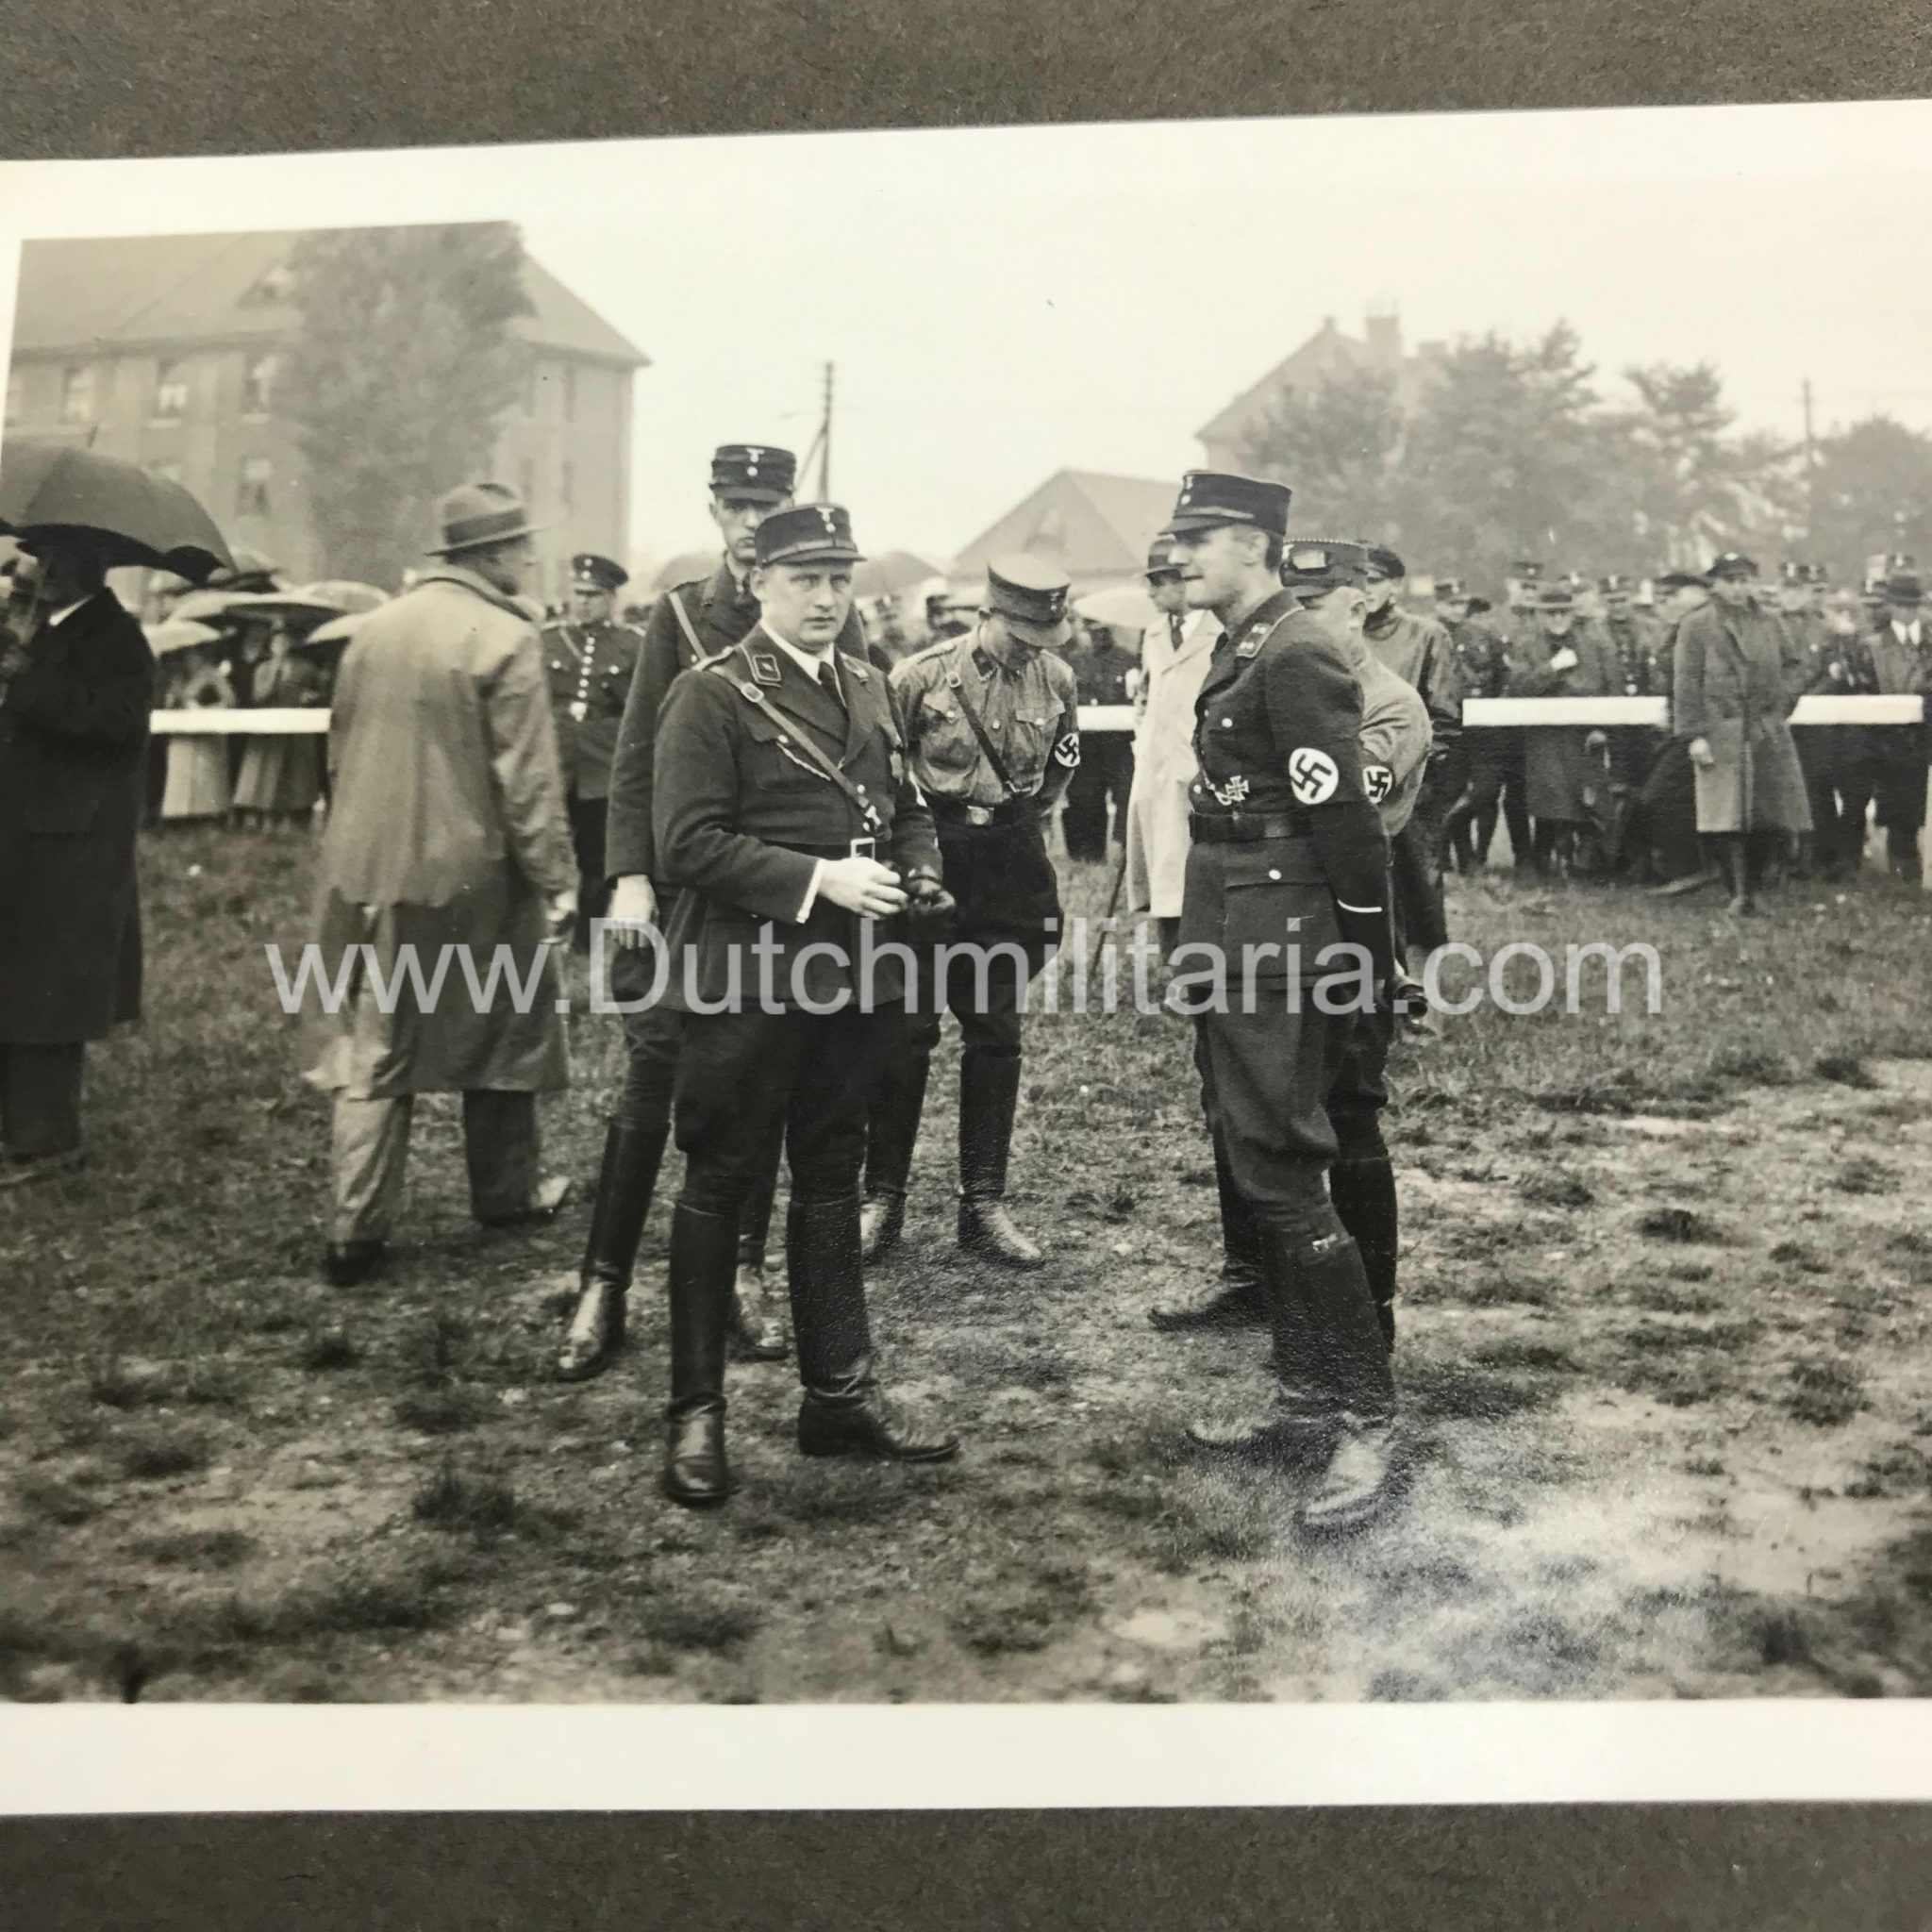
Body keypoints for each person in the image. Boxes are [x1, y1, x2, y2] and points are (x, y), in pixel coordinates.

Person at [647, 502, 959, 1507]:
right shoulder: (712, 693)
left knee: (829, 1177)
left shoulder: (867, 683)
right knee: (719, 1181)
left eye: (838, 580)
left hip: (852, 978)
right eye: (804, 580)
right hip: (748, 975)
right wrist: (820, 879)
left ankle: (838, 1396)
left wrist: (919, 869)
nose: (826, 599)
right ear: (757, 584)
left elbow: (904, 806)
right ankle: (695, 1416)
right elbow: (684, 843)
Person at [573, 443, 860, 1385]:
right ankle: (604, 1281)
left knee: (761, 1085)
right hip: (683, 886)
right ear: (714, 513)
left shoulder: (823, 610)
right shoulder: (679, 617)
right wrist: (628, 876)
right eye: (735, 505)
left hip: (777, 903)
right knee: (652, 1079)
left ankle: (744, 1274)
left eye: (765, 505)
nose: (748, 521)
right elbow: (635, 759)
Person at [1158, 473, 1402, 1537]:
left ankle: (1365, 1415)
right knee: (1257, 1158)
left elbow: (1343, 817)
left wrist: (1371, 955)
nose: (1180, 557)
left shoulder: (1294, 650)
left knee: (1287, 1170)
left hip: (1285, 933)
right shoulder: (1241, 645)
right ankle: (1304, 1396)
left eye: (1199, 539)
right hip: (1233, 918)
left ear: (1255, 544)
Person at [1151, 537, 1428, 1352]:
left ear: (1362, 605)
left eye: (1317, 602)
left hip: (1344, 915)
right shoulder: (1265, 669)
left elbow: (1345, 819)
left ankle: (1367, 1319)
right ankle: (1266, 1291)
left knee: (1348, 1116)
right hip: (1264, 917)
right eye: (1293, 600)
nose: (1297, 616)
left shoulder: (1388, 703)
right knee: (1248, 1115)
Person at [302, 483, 578, 1286]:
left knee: (374, 1043)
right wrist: (558, 879)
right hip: (475, 875)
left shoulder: (372, 629)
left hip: (365, 869)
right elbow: (528, 783)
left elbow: (337, 752)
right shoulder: (507, 636)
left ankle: (353, 1230)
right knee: (505, 1029)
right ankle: (508, 1194)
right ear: (490, 555)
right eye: (521, 544)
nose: (531, 556)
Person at [857, 556, 1081, 1270]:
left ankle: (983, 1204)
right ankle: (882, 1199)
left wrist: (1017, 821)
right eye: (1019, 634)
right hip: (933, 855)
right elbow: (888, 778)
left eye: (1042, 637)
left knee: (996, 1032)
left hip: (1008, 860)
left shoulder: (1058, 678)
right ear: (986, 615)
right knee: (906, 1032)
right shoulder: (918, 677)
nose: (1029, 649)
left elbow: (1063, 763)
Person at [0, 536, 154, 1187]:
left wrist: (25, 680)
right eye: (37, 557)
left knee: (49, 994)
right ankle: (16, 1127)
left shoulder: (118, 639)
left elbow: (113, 726)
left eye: (52, 558)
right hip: (28, 836)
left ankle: (47, 1142)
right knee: (17, 982)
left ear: (87, 565)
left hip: (72, 846)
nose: (39, 570)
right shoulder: (41, 630)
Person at [1671, 551, 1813, 915]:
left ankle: (1754, 890)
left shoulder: (1770, 622)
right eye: (1729, 581)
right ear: (1716, 584)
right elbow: (1686, 684)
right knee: (1724, 814)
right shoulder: (1697, 624)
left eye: (1744, 581)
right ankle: (1737, 892)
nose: (1737, 588)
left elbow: (1796, 667)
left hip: (1765, 730)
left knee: (1766, 812)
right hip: (1719, 731)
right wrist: (1694, 735)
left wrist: (1780, 705)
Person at [1360, 546, 1461, 974]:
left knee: (1418, 883)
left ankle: (1426, 985)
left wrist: (1406, 771)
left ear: (1395, 586)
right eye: (1356, 581)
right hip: (1352, 780)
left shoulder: (1428, 635)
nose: (1364, 591)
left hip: (1413, 784)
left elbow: (1445, 719)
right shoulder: (1335, 635)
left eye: (1373, 580)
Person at [1125, 536, 1222, 956]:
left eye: (1157, 583)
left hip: (1200, 769)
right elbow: (1146, 698)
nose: (1150, 593)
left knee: (1196, 870)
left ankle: (1203, 961)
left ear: (1181, 581)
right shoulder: (1152, 635)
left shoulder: (1220, 632)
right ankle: (1174, 961)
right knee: (1162, 869)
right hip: (1156, 769)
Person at [542, 552, 643, 943]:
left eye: (594, 595)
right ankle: (546, 927)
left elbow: (638, 710)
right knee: (545, 845)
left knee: (596, 854)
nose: (583, 602)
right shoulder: (546, 639)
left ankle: (587, 940)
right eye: (579, 592)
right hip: (553, 761)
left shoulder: (631, 645)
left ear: (612, 599)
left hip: (602, 767)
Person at [1513, 582, 1615, 876]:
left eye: (1563, 612)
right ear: (1539, 615)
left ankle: (1586, 861)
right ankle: (1545, 859)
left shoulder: (1594, 644)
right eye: (1551, 613)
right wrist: (1552, 668)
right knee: (1550, 797)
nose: (1558, 618)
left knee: (1587, 797)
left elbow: (1609, 687)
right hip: (1545, 737)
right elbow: (1518, 687)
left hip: (1584, 735)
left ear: (1572, 613)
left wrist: (1601, 727)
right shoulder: (1526, 646)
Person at [1442, 561, 1539, 872]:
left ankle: (1517, 857)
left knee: (1502, 792)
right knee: (1454, 790)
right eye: (1452, 603)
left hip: (1498, 722)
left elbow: (1501, 674)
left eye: (1462, 603)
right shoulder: (1491, 622)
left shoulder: (1486, 633)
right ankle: (1461, 857)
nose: (1458, 610)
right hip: (1451, 723)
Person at [1641, 570, 1722, 893]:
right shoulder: (1684, 627)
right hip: (1684, 728)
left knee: (1661, 795)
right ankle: (1697, 867)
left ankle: (1693, 868)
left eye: (1675, 595)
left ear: (1698, 593)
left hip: (1703, 729)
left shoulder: (1707, 627)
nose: (1668, 602)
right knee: (1672, 797)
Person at [1592, 573, 1671, 878]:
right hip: (1613, 723)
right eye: (1611, 601)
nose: (1617, 606)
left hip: (1648, 723)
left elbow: (1661, 673)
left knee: (1649, 789)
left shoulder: (1651, 629)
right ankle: (1617, 859)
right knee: (1617, 791)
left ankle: (1650, 859)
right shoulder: (1595, 632)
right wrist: (1598, 723)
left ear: (1631, 598)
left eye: (1622, 599)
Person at [1859, 569, 1932, 882]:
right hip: (1890, 740)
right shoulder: (1873, 645)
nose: (1906, 612)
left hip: (1926, 736)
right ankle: (1902, 869)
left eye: (1912, 605)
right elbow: (1867, 691)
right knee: (1897, 807)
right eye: (1900, 605)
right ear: (1889, 605)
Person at [232, 620, 326, 827]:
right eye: (276, 642)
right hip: (270, 726)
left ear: (292, 643)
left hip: (296, 727)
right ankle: (264, 816)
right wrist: (273, 676)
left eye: (285, 641)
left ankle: (294, 817)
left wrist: (310, 697)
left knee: (296, 772)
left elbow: (320, 690)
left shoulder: (305, 667)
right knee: (267, 771)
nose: (280, 645)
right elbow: (258, 697)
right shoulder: (262, 668)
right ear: (270, 645)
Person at [1058, 617, 1138, 861]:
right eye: (1093, 631)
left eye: (1103, 631)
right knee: (1084, 797)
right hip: (1086, 743)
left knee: (1126, 796)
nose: (1099, 636)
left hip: (1120, 742)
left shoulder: (1128, 660)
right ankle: (1087, 854)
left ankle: (1127, 850)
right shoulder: (1073, 661)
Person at [158, 640, 236, 823]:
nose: (189, 660)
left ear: (202, 655)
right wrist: (172, 700)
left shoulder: (212, 674)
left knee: (205, 772)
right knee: (181, 771)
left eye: (193, 655)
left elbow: (230, 700)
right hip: (182, 732)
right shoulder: (178, 678)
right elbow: (170, 702)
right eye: (186, 656)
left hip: (207, 732)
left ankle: (208, 814)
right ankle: (179, 814)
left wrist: (209, 710)